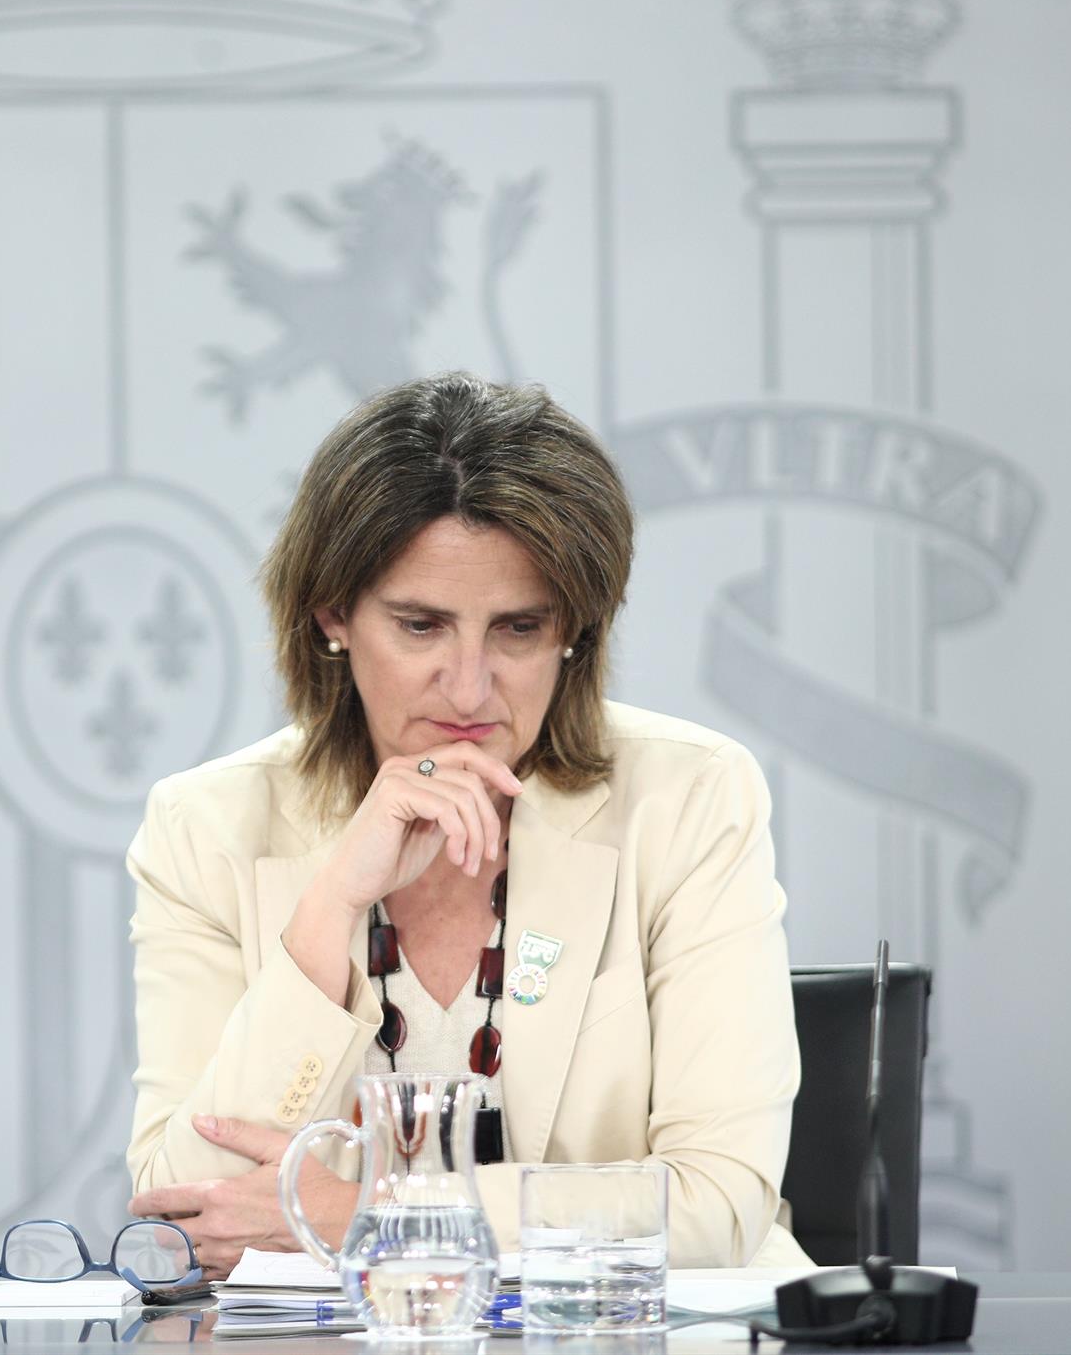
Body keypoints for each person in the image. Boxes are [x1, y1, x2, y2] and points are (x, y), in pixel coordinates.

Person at [123, 373, 811, 1274]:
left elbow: (717, 1205)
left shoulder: (689, 799)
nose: (471, 686)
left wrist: (372, 1217)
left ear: (576, 630)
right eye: (421, 626)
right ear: (333, 614)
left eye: (519, 629)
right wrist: (330, 905)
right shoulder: (207, 827)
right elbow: (187, 1214)